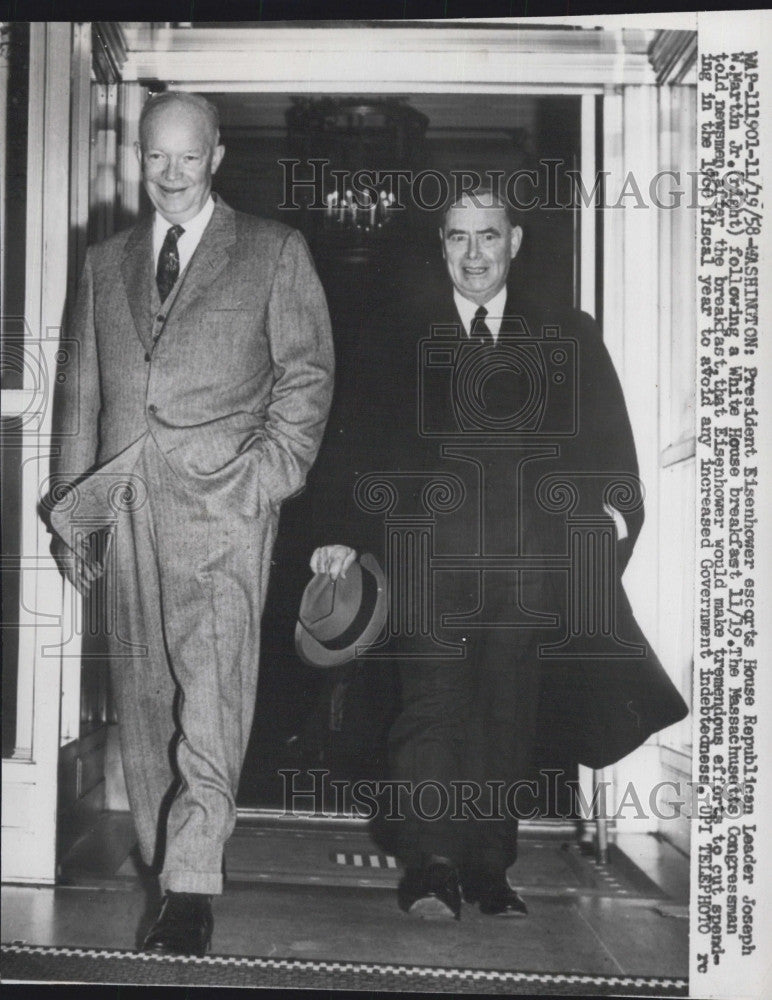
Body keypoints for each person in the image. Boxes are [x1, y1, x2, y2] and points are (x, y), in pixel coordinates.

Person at [311, 186, 687, 921]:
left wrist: (612, 516)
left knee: (506, 714)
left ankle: (488, 865)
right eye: (458, 237)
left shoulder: (566, 333)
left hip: (528, 562)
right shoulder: (397, 334)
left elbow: (607, 438)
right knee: (430, 709)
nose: (474, 254)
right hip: (427, 557)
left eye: (488, 236)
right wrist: (342, 531)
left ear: (515, 241)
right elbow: (355, 442)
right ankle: (431, 864)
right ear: (441, 243)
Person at [45, 91, 334, 954]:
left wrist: (265, 479)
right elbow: (81, 392)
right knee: (143, 693)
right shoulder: (106, 261)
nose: (169, 176)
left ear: (214, 158)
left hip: (226, 506)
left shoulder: (275, 253)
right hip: (123, 502)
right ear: (143, 158)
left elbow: (307, 379)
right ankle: (160, 854)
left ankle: (191, 882)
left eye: (186, 158)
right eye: (154, 158)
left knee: (212, 690)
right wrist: (71, 514)